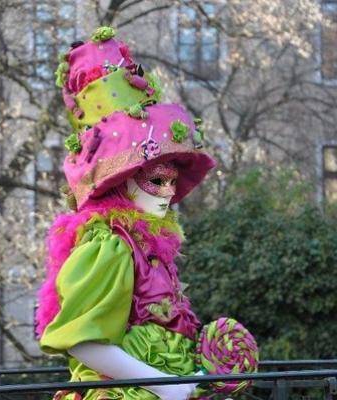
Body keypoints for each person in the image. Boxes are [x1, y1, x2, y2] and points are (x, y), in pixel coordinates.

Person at [35, 26, 217, 400]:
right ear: (123, 181)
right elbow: (82, 342)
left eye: (172, 181)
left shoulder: (149, 248)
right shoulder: (112, 245)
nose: (168, 192)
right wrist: (168, 389)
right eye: (156, 180)